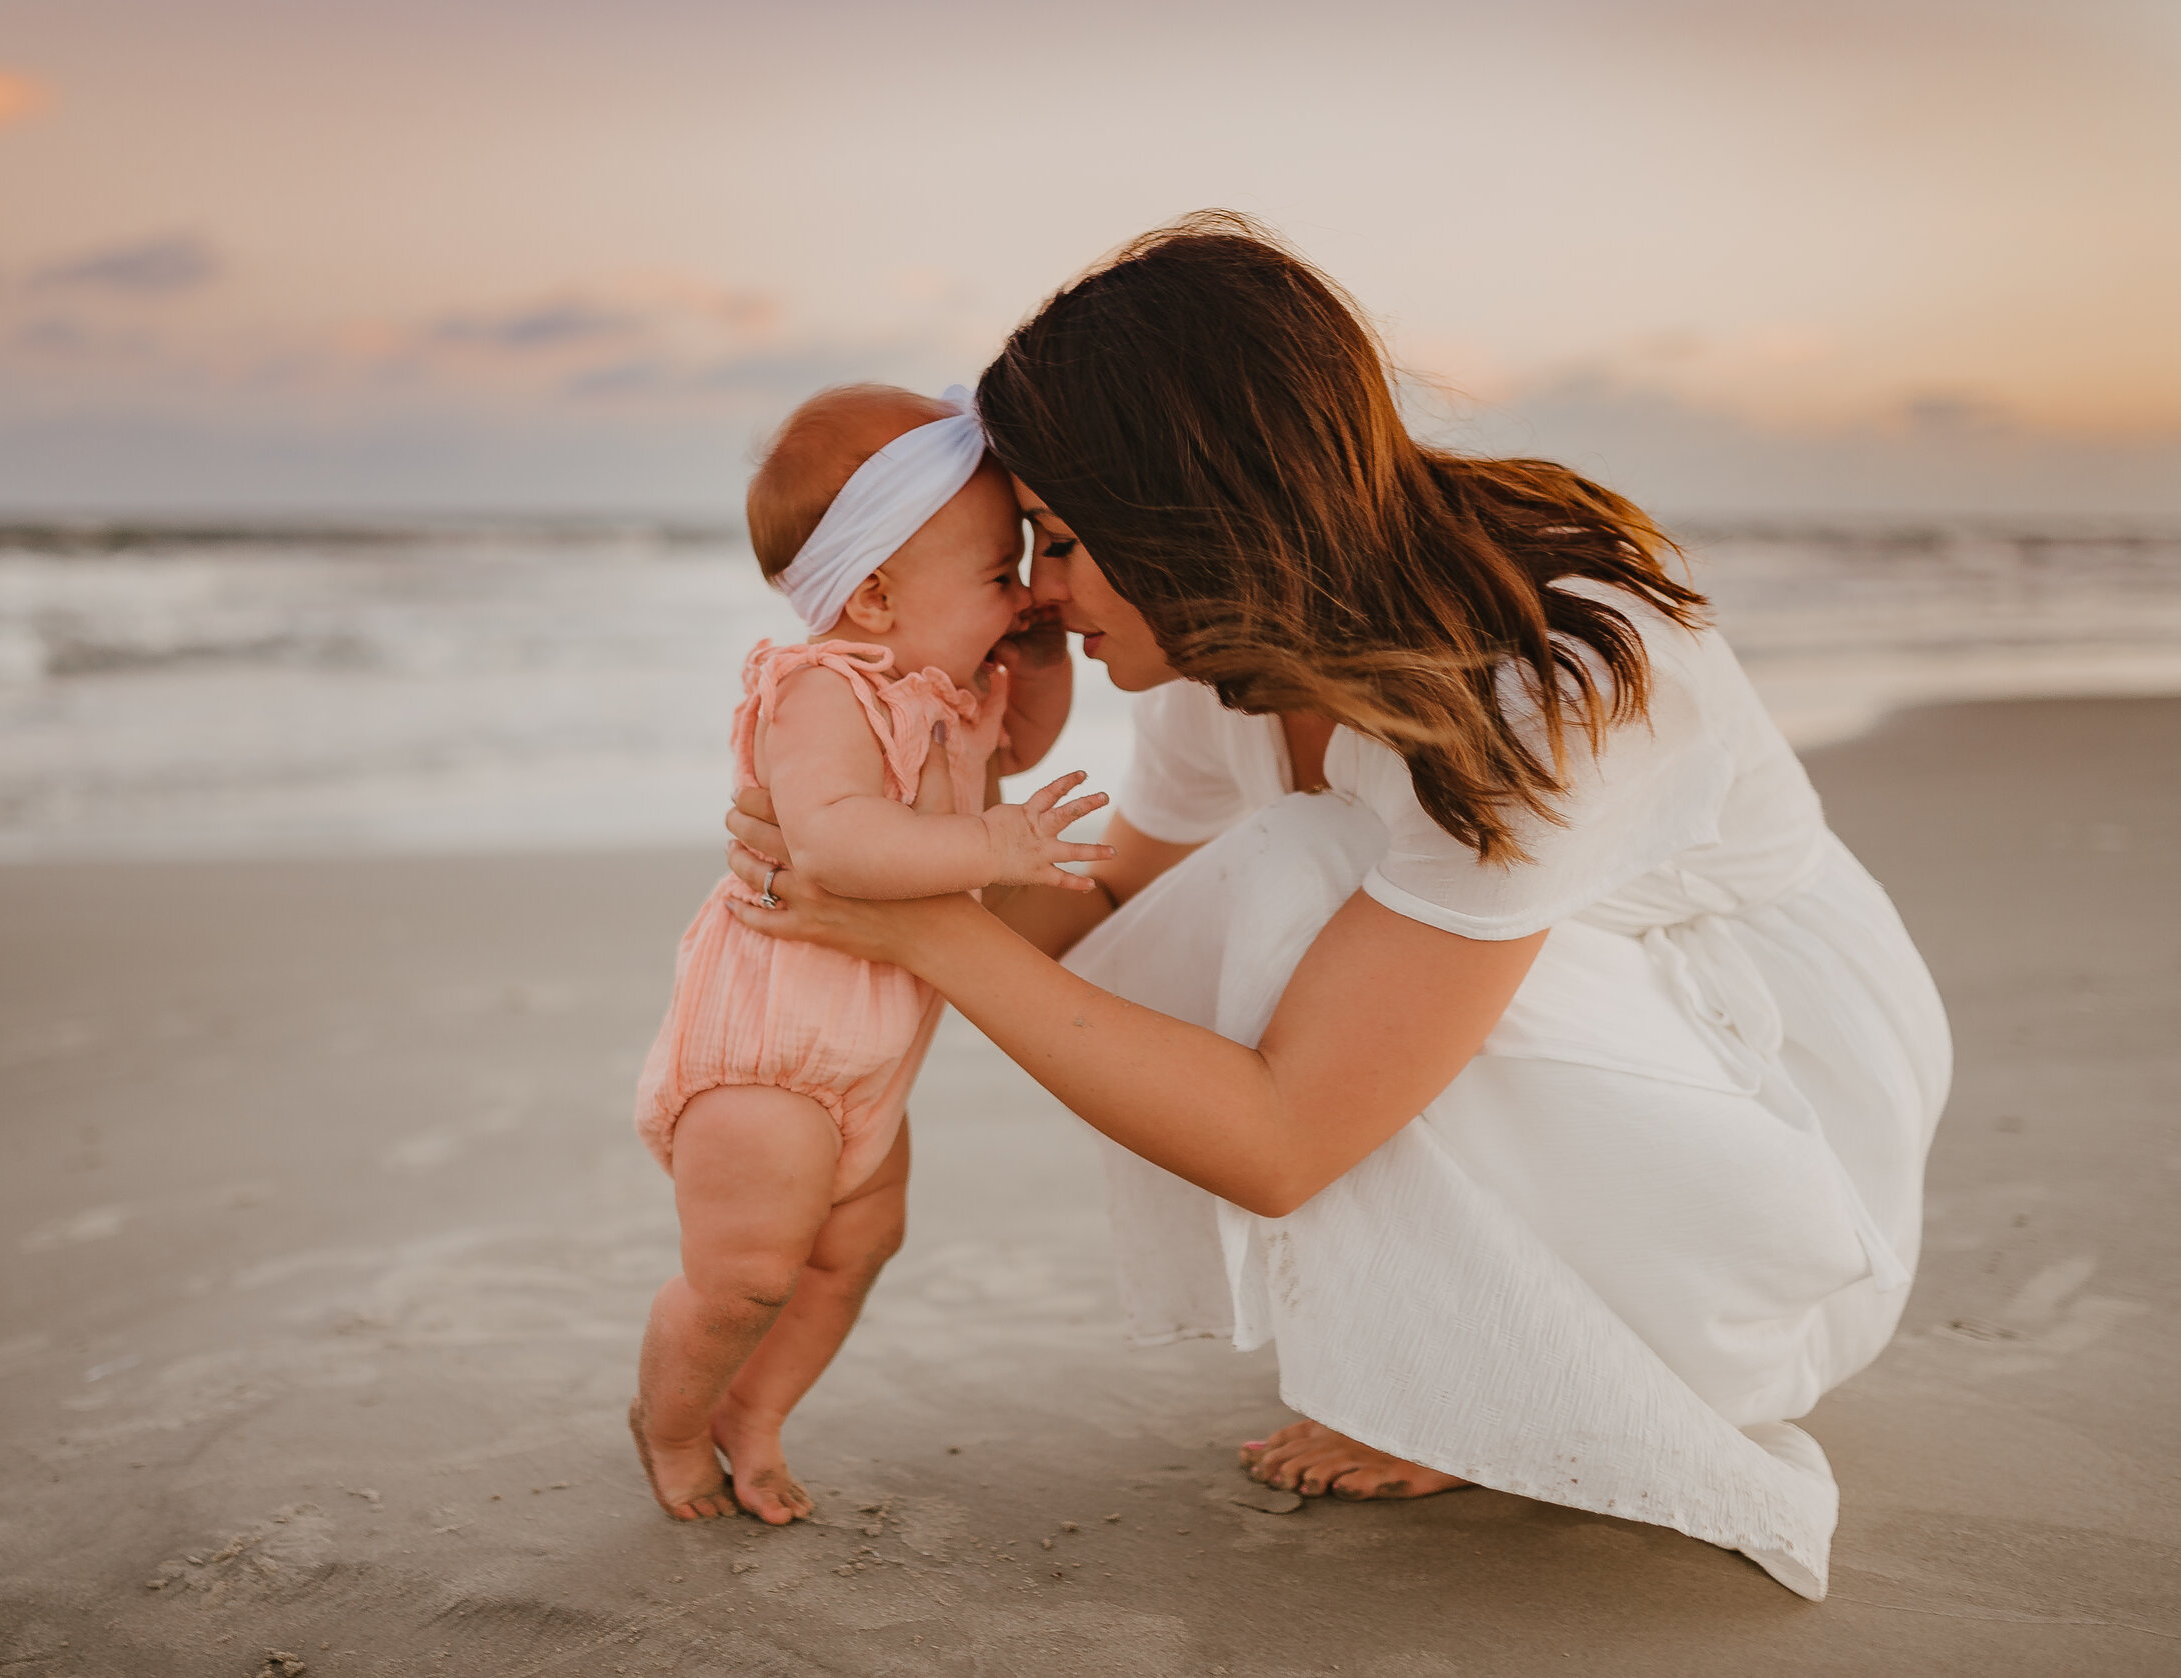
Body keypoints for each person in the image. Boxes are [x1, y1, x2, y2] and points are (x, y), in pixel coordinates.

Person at [720, 216, 1950, 1597]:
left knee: (1307, 873)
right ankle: (1451, 1346)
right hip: (1548, 1014)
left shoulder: (1555, 675)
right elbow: (1126, 913)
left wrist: (925, 929)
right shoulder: (1216, 654)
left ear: (1190, 516)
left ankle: (1515, 1370)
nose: (1043, 597)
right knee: (1293, 875)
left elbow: (1288, 1137)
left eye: (1058, 542)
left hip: (1754, 1122)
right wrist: (894, 845)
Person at [630, 383, 1107, 1526]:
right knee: (744, 1276)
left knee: (857, 1246)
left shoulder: (946, 691)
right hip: (768, 1057)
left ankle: (758, 1410)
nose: (1026, 592)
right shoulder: (820, 693)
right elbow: (841, 842)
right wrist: (992, 840)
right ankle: (672, 1422)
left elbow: (1023, 741)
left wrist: (1034, 660)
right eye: (1001, 575)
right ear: (879, 595)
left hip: (869, 1063)